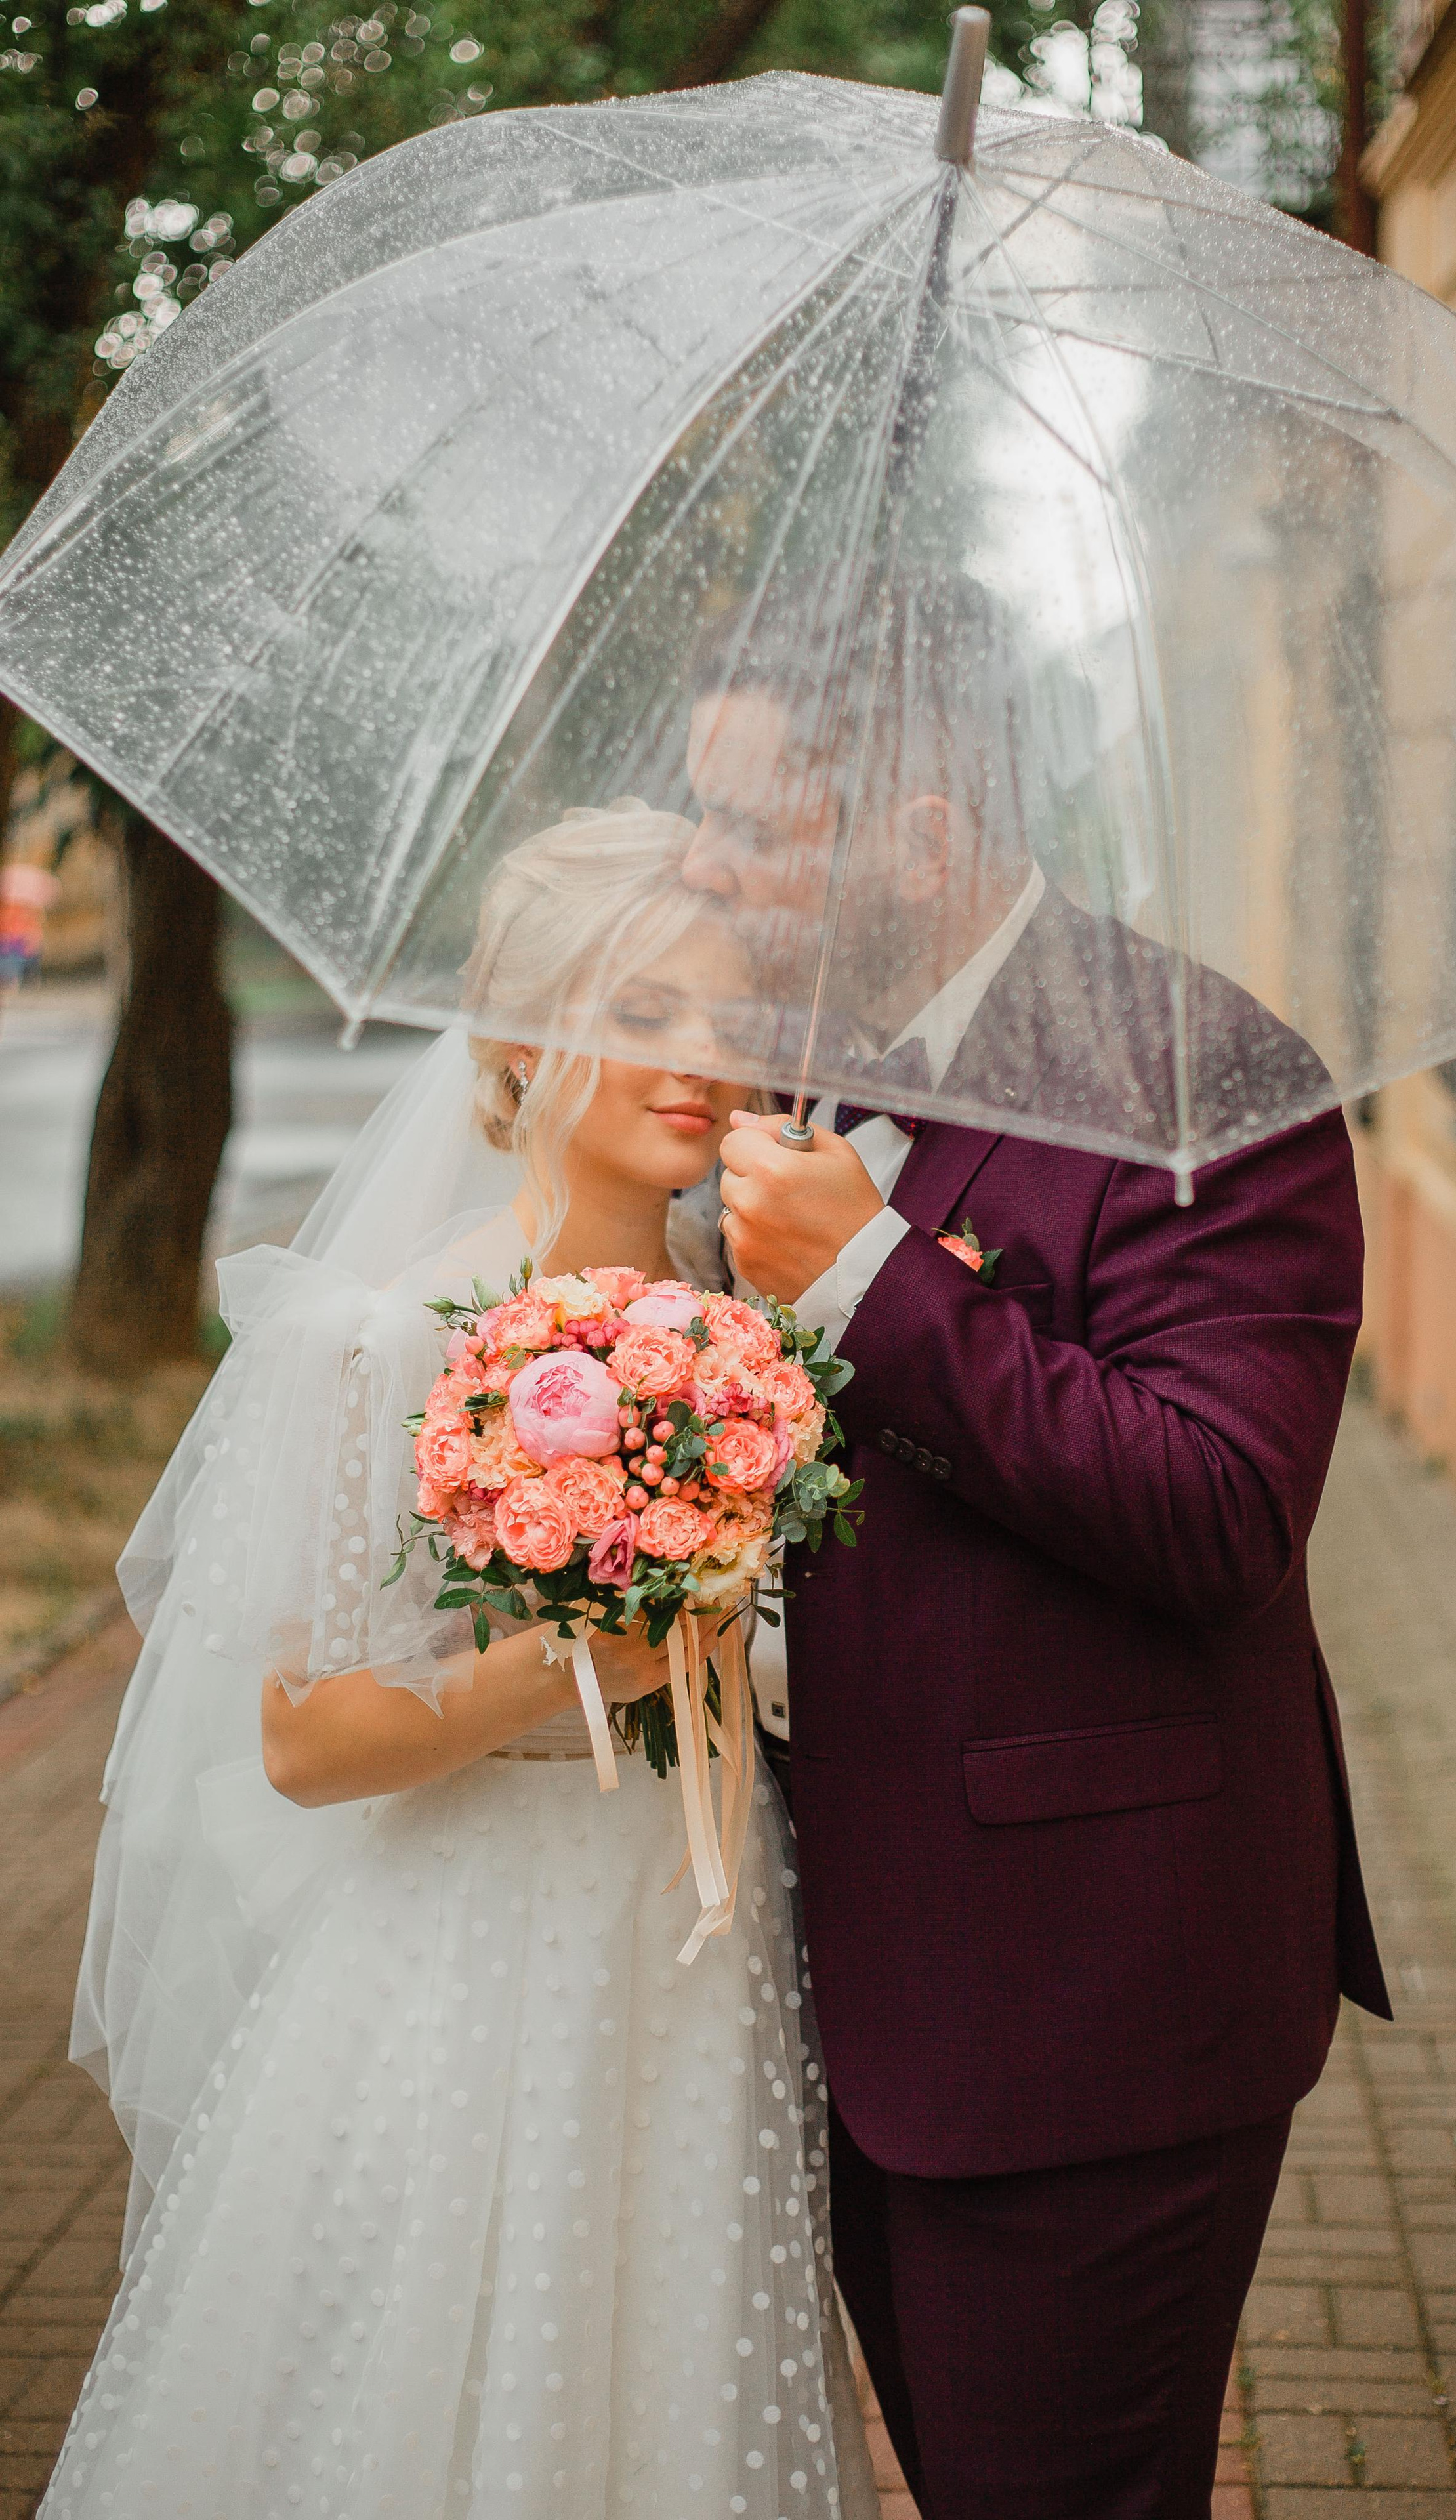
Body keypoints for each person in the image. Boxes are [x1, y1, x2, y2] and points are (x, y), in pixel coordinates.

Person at [41, 801, 877, 2520]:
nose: (700, 1062)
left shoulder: (753, 1331)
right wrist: (580, 1665)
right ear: (514, 1037)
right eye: (643, 1012)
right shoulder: (384, 1338)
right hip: (476, 1954)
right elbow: (301, 1739)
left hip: (700, 1936)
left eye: (727, 1018)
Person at [682, 571, 1392, 2520]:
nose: (710, 871)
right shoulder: (804, 1058)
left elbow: (1221, 1505)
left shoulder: (1199, 1079)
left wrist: (869, 1278)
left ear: (925, 835)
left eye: (752, 827)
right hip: (854, 1970)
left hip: (1084, 1996)